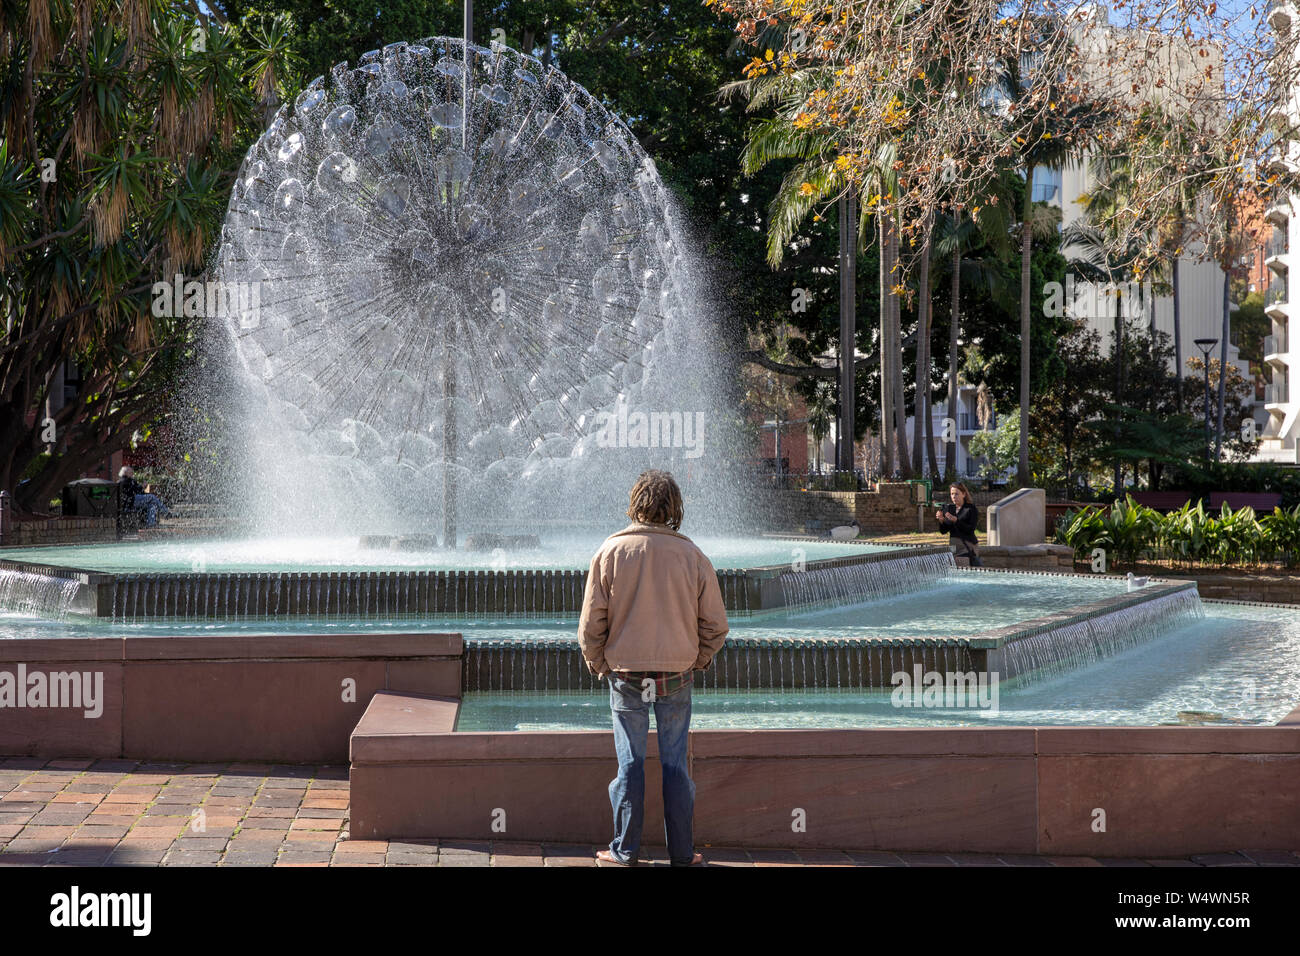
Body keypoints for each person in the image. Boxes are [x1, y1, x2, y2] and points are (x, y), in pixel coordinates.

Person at [578, 469, 729, 867]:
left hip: (626, 675)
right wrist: (697, 659)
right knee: (675, 764)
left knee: (629, 762)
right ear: (674, 507)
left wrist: (599, 664)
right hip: (676, 674)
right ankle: (681, 852)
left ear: (636, 503)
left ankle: (624, 850)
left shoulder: (609, 552)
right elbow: (716, 625)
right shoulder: (693, 555)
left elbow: (591, 624)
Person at [935, 482, 982, 567]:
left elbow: (970, 529)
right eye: (952, 494)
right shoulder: (950, 509)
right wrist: (941, 520)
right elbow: (943, 531)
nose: (953, 496)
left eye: (956, 494)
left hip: (967, 547)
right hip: (954, 547)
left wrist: (956, 520)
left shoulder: (970, 509)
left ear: (963, 494)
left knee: (963, 572)